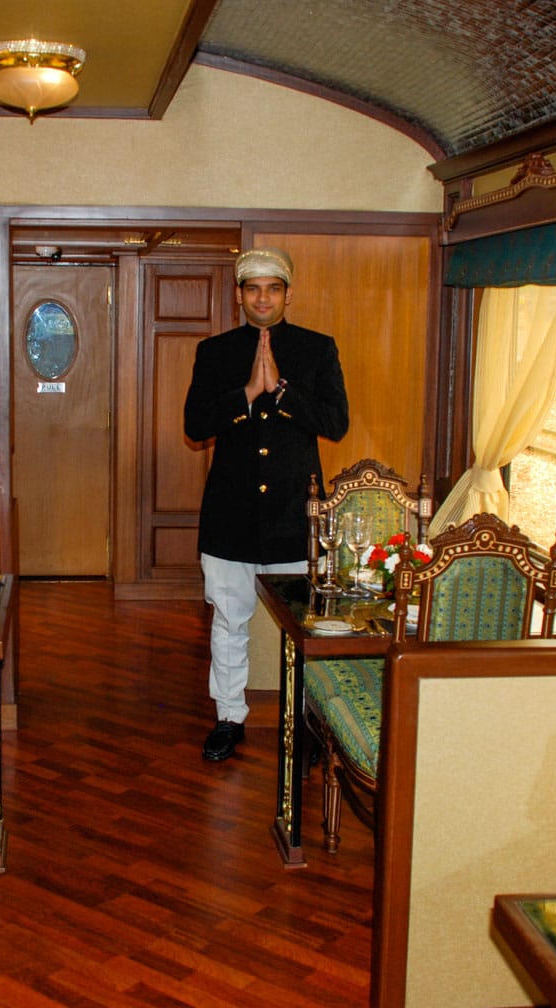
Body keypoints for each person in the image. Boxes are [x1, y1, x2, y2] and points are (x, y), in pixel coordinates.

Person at [183, 248, 349, 761]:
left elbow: (335, 422)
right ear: (239, 294)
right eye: (252, 288)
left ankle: (305, 721)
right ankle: (229, 717)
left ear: (287, 293)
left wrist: (280, 392)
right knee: (229, 623)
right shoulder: (214, 352)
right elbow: (195, 426)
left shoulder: (318, 350)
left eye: (272, 288)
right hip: (230, 517)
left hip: (293, 518)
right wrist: (247, 395)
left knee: (303, 629)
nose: (262, 298)